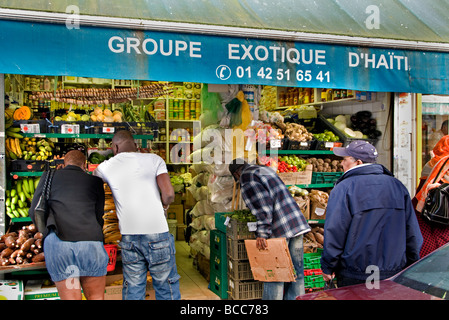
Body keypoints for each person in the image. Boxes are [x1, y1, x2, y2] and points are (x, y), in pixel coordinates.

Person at [320, 140, 423, 288]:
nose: (341, 164)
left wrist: (328, 266)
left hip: (356, 273)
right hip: (393, 271)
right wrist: (412, 263)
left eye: (344, 159)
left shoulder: (344, 188)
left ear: (358, 162)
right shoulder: (397, 186)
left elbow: (335, 231)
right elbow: (412, 231)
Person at [93, 130, 180, 300]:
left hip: (129, 237)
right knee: (165, 286)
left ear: (115, 147)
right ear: (136, 145)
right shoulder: (155, 159)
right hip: (158, 234)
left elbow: (93, 188)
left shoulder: (105, 167)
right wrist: (164, 206)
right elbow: (169, 194)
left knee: (133, 287)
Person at [29, 150, 108, 300]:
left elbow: (34, 210)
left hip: (59, 244)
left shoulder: (49, 177)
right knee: (96, 297)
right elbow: (99, 216)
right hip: (91, 245)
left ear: (64, 163)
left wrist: (46, 231)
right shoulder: (95, 182)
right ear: (84, 165)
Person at [228, 158, 311, 300]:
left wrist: (262, 233)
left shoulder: (247, 177)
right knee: (297, 273)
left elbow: (263, 207)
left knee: (275, 274)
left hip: (280, 229)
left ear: (236, 174)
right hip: (296, 224)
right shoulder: (262, 169)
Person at [413, 135, 449, 257]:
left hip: (427, 218)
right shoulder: (442, 166)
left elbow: (419, 194)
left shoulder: (431, 165)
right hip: (441, 223)